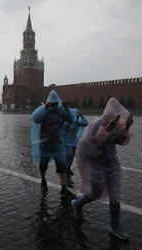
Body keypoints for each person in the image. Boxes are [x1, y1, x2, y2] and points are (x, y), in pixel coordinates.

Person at [71, 97, 133, 240]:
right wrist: (108, 128)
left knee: (115, 195)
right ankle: (77, 204)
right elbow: (92, 144)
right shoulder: (97, 123)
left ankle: (115, 226)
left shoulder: (116, 125)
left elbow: (120, 141)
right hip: (97, 166)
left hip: (113, 166)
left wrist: (126, 127)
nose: (116, 116)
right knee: (95, 193)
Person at [30, 90, 76, 197]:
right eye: (53, 103)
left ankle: (63, 187)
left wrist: (67, 109)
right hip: (44, 143)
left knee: (61, 165)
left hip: (58, 144)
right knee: (43, 164)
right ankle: (43, 180)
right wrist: (45, 108)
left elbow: (72, 119)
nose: (54, 106)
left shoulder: (61, 111)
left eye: (56, 104)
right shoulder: (43, 110)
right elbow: (35, 118)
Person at [62, 109, 88, 176]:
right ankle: (64, 167)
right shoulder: (67, 123)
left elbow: (85, 123)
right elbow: (63, 132)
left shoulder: (77, 123)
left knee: (72, 156)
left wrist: (82, 116)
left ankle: (68, 168)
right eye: (76, 116)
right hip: (67, 142)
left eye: (77, 116)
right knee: (69, 155)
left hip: (74, 142)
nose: (76, 117)